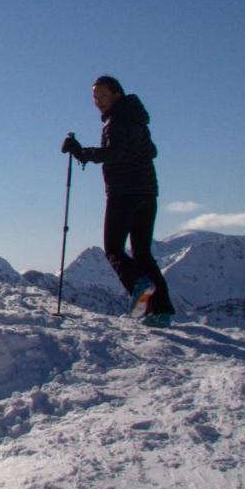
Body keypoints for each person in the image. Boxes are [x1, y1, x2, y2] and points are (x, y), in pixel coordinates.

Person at [63, 75, 175, 326]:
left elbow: (115, 153)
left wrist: (81, 152)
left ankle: (140, 286)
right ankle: (162, 312)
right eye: (95, 97)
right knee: (143, 253)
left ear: (117, 94)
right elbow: (149, 151)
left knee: (113, 248)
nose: (98, 101)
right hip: (148, 192)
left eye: (103, 95)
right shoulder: (137, 120)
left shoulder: (117, 122)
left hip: (124, 192)